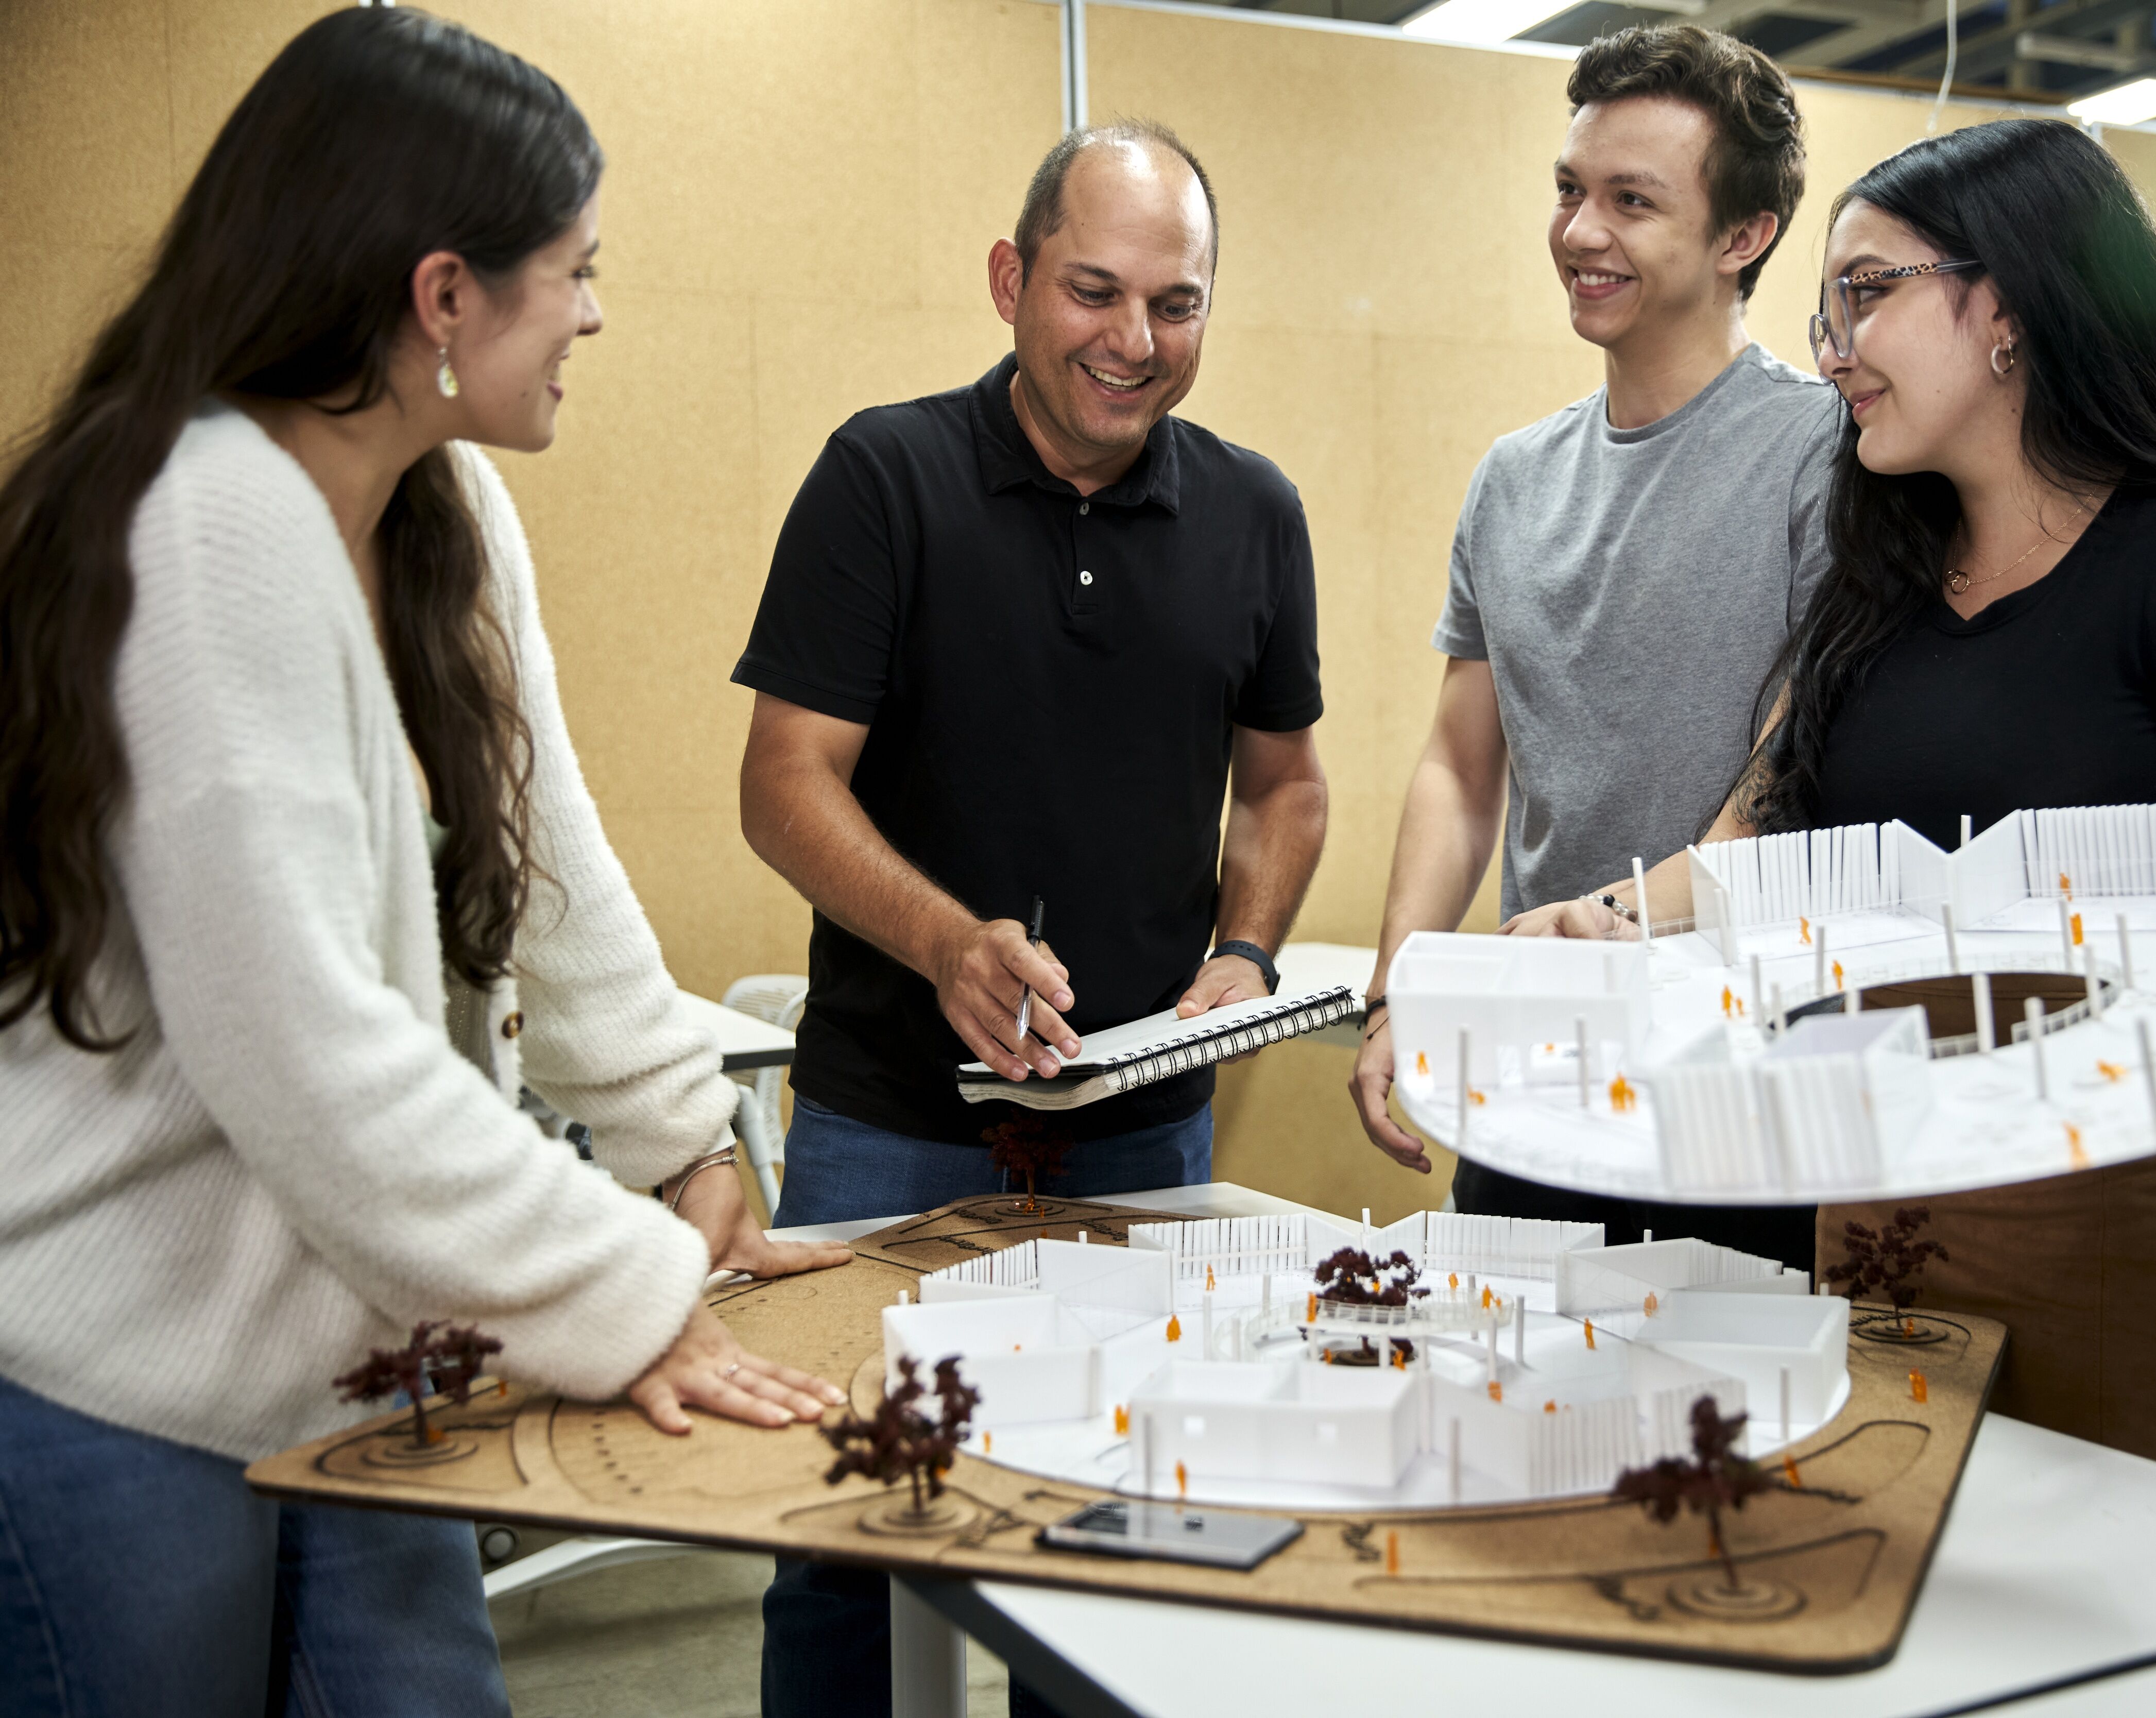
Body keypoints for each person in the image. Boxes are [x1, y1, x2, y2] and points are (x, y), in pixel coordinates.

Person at [0, 13, 852, 1714]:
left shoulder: (437, 501)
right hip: (118, 1381)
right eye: (574, 270)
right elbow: (313, 1058)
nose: (597, 311)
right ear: (445, 296)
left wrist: (688, 1140)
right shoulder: (201, 517)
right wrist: (628, 1284)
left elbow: (544, 871)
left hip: (359, 1355)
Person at [1511, 117, 2156, 1490]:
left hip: (2135, 1184)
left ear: (2012, 307)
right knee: (1902, 1551)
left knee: (2128, 1584)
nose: (1833, 346)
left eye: (1868, 291)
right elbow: (1776, 816)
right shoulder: (1888, 568)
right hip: (1897, 1172)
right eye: (1827, 304)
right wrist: (1613, 916)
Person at [734, 122, 1326, 1716]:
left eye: (1178, 305)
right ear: (1011, 282)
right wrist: (945, 943)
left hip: (1144, 1141)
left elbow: (1284, 795)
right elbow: (786, 783)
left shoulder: (1257, 514)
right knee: (860, 1530)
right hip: (889, 1128)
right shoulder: (886, 476)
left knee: (1123, 1536)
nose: (1135, 345)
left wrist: (1244, 956)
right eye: (1095, 291)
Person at [1347, 24, 1841, 1270]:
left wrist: (1612, 922)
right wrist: (1405, 983)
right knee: (1513, 1414)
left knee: (1718, 1444)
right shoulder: (1512, 479)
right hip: (1532, 1067)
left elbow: (1800, 769)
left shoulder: (1824, 457)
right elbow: (1463, 766)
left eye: (1632, 202)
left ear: (1743, 238)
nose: (1578, 233)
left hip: (1740, 1078)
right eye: (1570, 191)